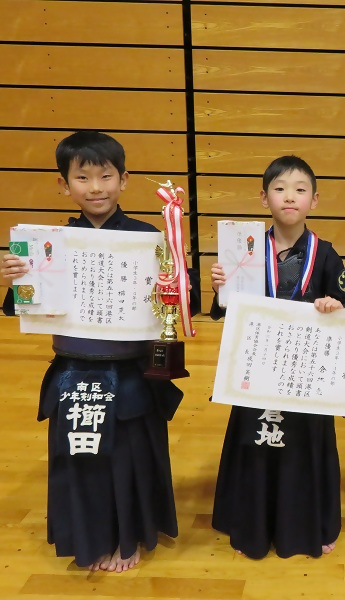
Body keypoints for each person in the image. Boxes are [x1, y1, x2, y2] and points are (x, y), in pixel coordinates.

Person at [0, 131, 200, 572]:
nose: (95, 187)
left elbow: (187, 303)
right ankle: (89, 538)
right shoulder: (48, 243)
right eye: (82, 177)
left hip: (129, 369)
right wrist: (16, 277)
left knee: (127, 457)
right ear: (63, 184)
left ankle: (128, 539)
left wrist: (177, 277)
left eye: (106, 176)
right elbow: (22, 306)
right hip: (74, 369)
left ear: (123, 179)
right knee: (80, 455)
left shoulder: (149, 238)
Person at [209, 155, 345, 559]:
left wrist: (334, 306)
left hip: (307, 374)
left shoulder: (326, 254)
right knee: (256, 441)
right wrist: (221, 286)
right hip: (256, 367)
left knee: (305, 446)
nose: (289, 197)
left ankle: (312, 523)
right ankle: (251, 524)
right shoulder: (246, 249)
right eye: (278, 188)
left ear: (314, 199)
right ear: (263, 198)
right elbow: (223, 311)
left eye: (299, 189)